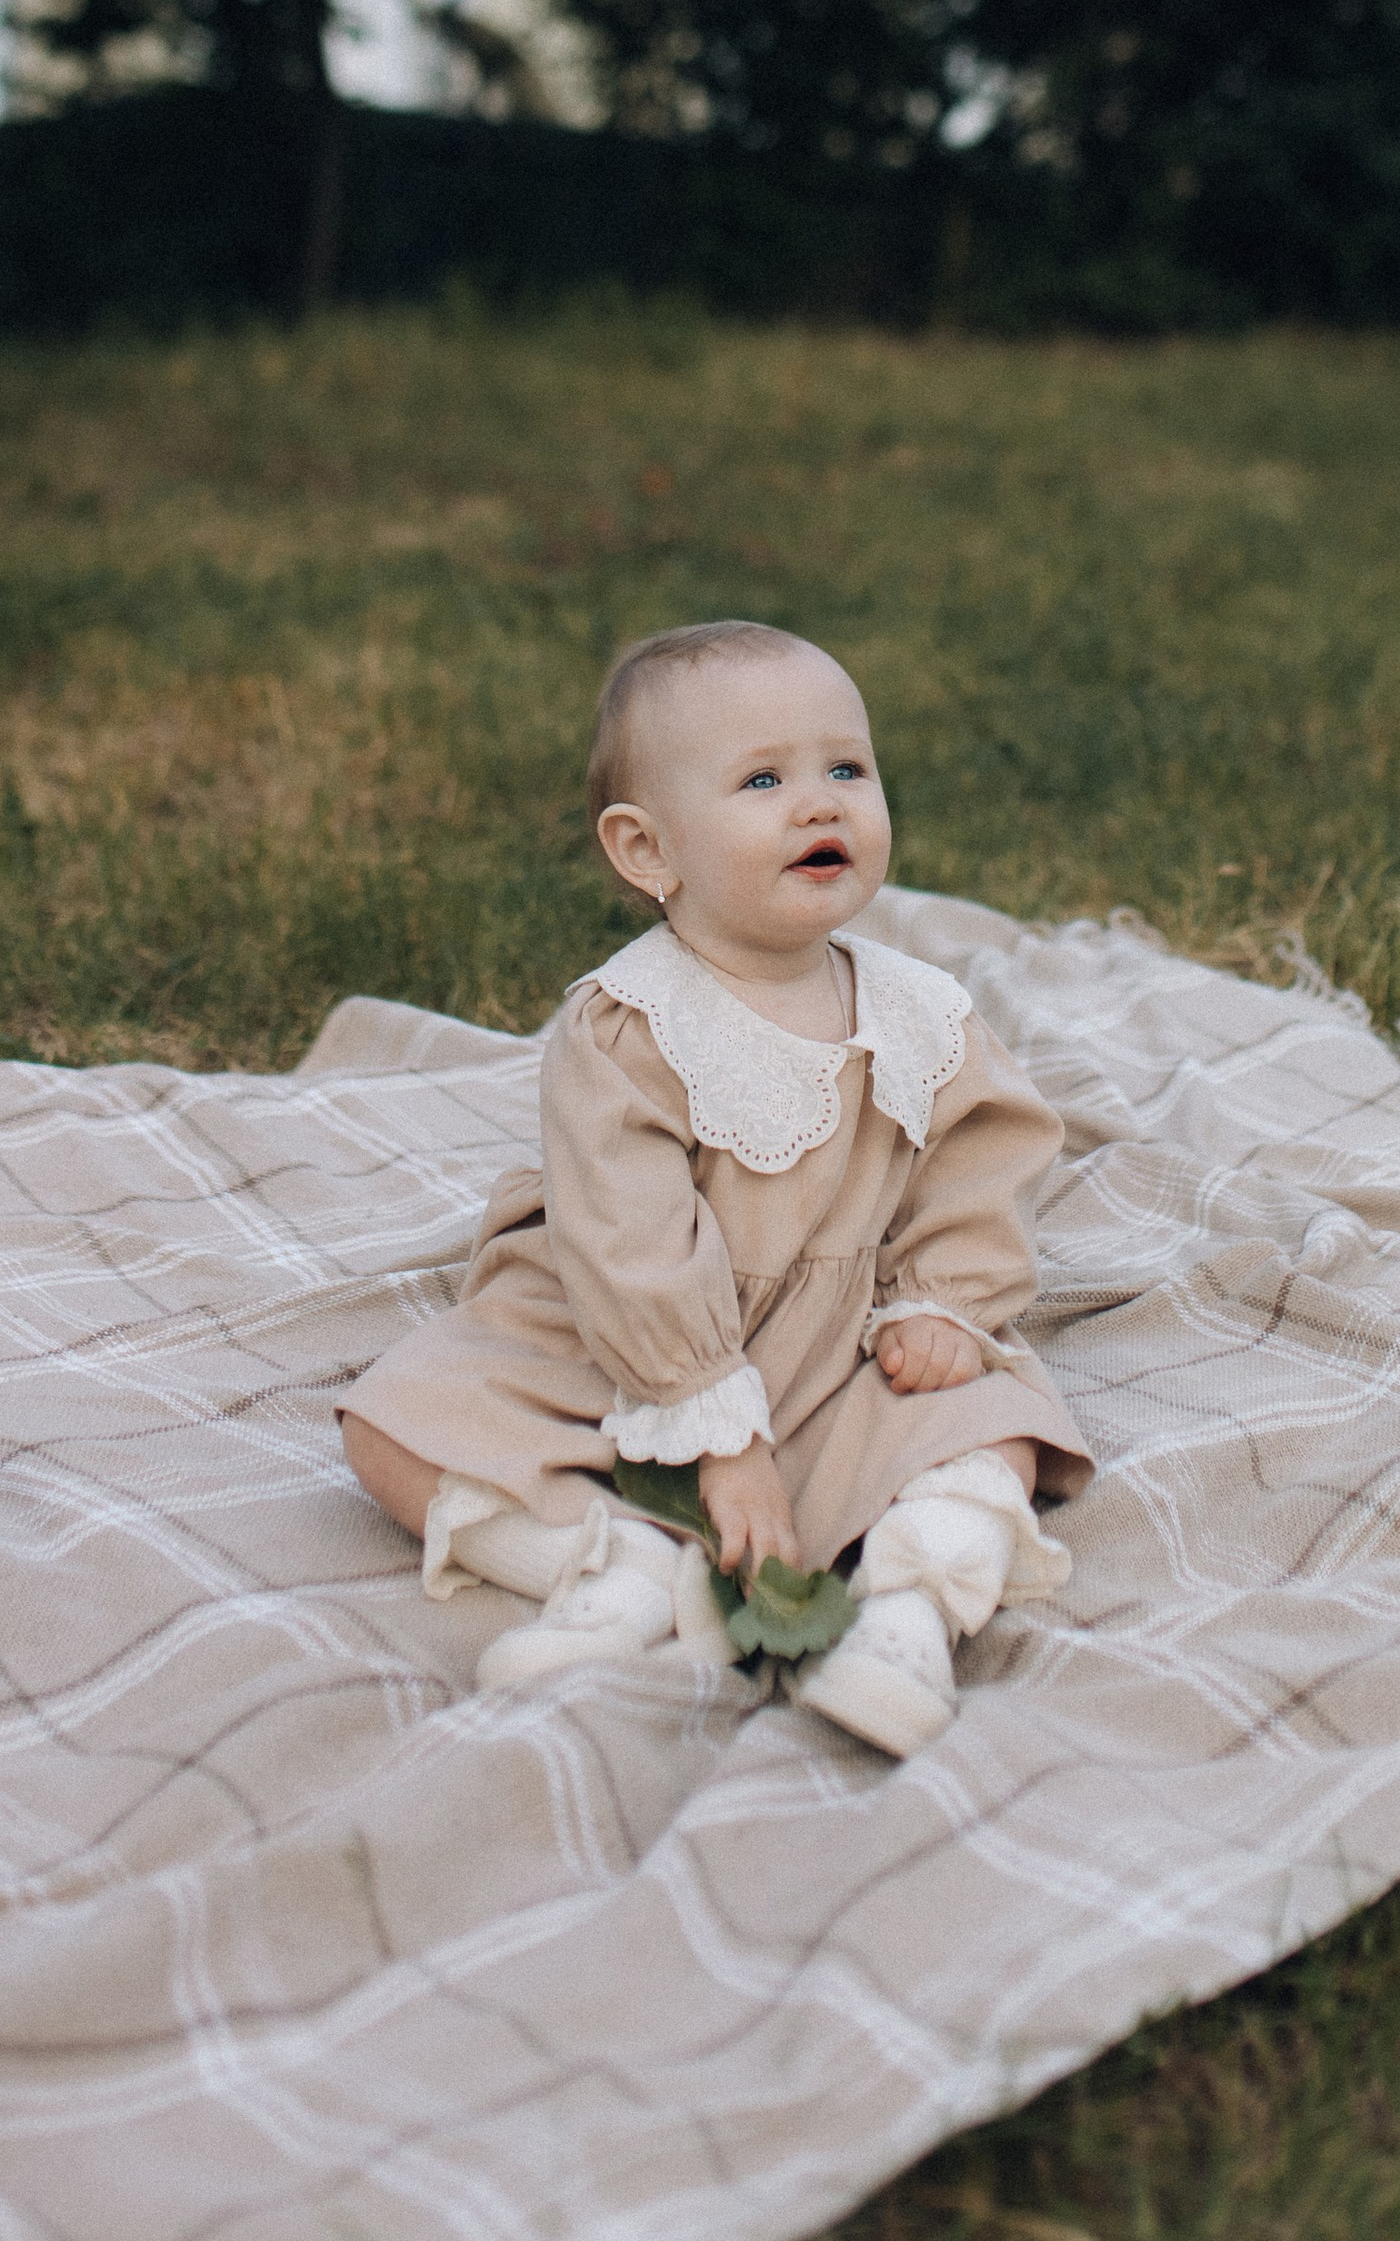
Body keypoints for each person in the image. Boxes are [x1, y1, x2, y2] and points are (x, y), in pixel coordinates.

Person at [340, 618, 1091, 1757]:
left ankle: (908, 1614)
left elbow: (984, 1157)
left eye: (848, 769)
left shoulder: (919, 1011)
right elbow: (626, 1235)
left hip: (845, 1339)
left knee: (998, 1427)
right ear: (649, 851)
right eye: (763, 781)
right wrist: (715, 1428)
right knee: (397, 1425)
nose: (820, 803)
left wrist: (942, 1300)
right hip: (631, 1341)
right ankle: (616, 1567)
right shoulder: (627, 1028)